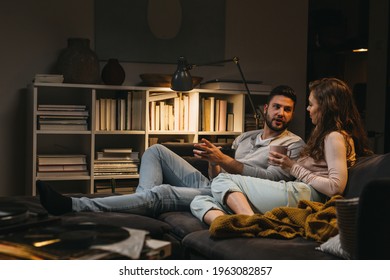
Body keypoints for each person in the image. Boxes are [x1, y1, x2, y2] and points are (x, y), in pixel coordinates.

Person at [37, 85, 305, 217]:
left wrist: (223, 160)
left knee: (161, 193)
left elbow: (273, 181)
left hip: (236, 197)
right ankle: (144, 203)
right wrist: (214, 159)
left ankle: (74, 205)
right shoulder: (245, 137)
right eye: (276, 107)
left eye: (288, 109)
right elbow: (218, 176)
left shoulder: (293, 143)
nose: (281, 113)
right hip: (216, 184)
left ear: (291, 114)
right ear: (265, 109)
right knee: (155, 150)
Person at [190, 77, 373, 225]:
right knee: (200, 201)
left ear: (326, 106)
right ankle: (231, 225)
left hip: (307, 194)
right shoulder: (325, 134)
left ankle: (249, 223)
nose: (308, 109)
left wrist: (292, 166)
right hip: (297, 190)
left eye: (311, 104)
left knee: (222, 179)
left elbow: (335, 187)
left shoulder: (334, 136)